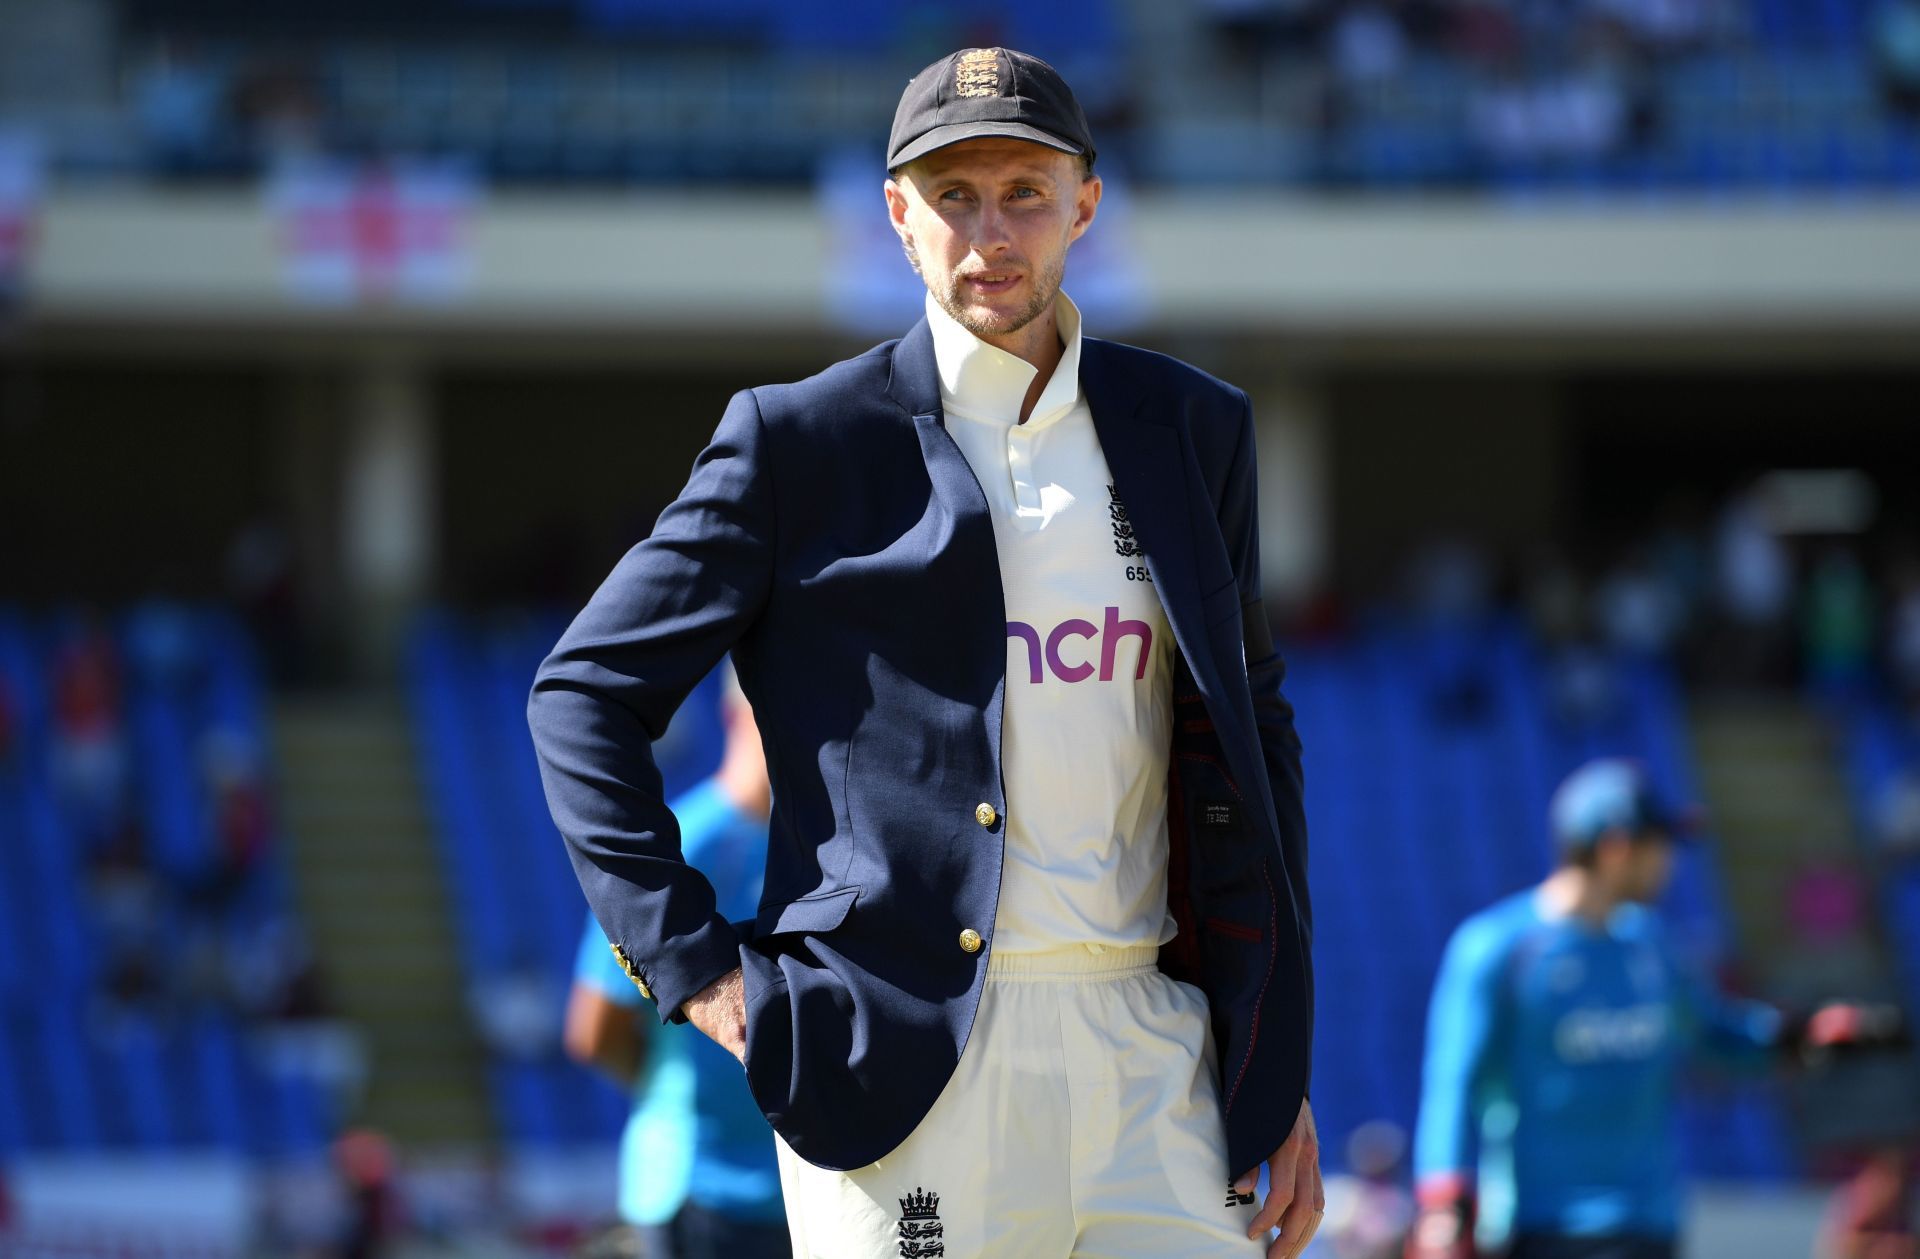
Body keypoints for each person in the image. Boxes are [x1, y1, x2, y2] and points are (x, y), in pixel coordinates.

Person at [528, 46, 1318, 1259]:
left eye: (1024, 193)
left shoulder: (1193, 428)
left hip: (1156, 1049)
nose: (989, 231)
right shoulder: (798, 443)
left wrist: (1273, 1061)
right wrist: (705, 976)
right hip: (897, 1063)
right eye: (952, 195)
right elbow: (582, 693)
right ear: (899, 217)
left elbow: (1252, 729)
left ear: (1086, 206)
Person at [1407, 758, 1906, 1259]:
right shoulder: (1499, 948)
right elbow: (1453, 1083)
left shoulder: (1651, 945)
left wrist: (1798, 1037)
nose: (1669, 862)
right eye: (1659, 846)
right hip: (1541, 1228)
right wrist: (1442, 1203)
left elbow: (1714, 1036)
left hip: (1649, 1226)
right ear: (1616, 848)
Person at [565, 669, 786, 1259]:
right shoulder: (681, 849)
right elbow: (595, 1030)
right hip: (698, 1192)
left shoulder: (828, 855)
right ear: (742, 712)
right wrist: (682, 1092)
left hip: (803, 1187)